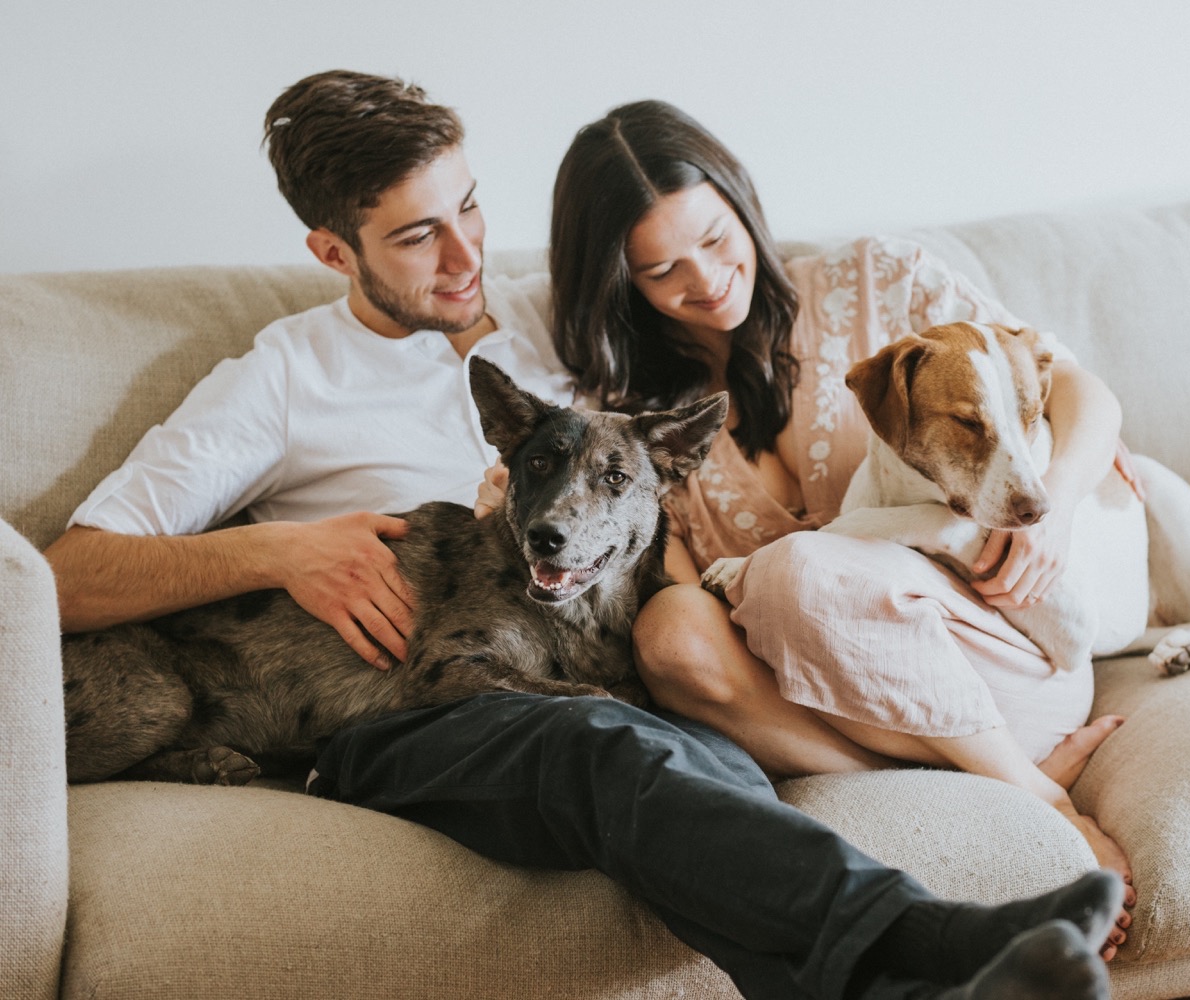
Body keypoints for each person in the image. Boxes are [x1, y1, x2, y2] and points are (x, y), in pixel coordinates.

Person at [42, 70, 1123, 999]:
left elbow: (719, 314)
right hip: (403, 699)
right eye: (419, 235)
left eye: (469, 206)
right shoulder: (278, 377)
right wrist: (278, 549)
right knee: (604, 740)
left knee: (705, 769)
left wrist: (1044, 453)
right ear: (333, 249)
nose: (465, 252)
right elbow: (65, 579)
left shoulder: (567, 323)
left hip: (578, 655)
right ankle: (935, 945)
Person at [491, 100, 1140, 886]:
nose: (705, 279)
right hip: (827, 696)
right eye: (661, 270)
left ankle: (1035, 793)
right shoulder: (628, 422)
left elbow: (1076, 388)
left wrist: (1058, 504)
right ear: (619, 280)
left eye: (715, 238)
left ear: (740, 201)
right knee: (673, 629)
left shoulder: (879, 278)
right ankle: (960, 774)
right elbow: (688, 609)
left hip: (997, 647)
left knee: (803, 568)